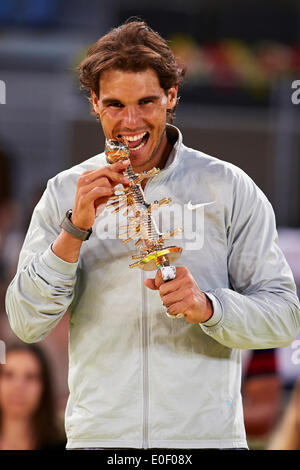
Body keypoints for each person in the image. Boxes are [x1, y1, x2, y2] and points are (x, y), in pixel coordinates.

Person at [5, 20, 300, 450]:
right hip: (101, 443)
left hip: (204, 444)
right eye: (114, 104)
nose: (130, 120)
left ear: (171, 97)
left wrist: (210, 307)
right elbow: (26, 323)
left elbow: (284, 317)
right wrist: (73, 230)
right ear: (94, 103)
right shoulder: (64, 192)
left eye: (146, 101)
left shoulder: (229, 188)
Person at [0, 342, 66, 450]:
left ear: (44, 386)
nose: (18, 386)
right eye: (8, 375)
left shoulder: (65, 445)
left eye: (30, 377)